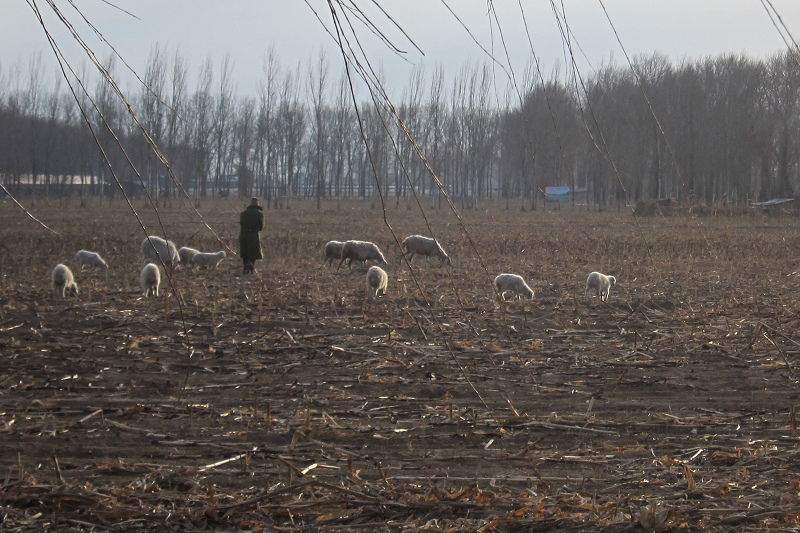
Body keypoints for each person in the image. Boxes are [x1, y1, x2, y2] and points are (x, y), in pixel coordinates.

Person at [239, 197, 265, 274]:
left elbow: (242, 224)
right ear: (258, 204)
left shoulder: (243, 214)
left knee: (245, 252)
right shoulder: (260, 214)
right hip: (254, 235)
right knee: (253, 252)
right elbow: (261, 227)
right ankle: (251, 268)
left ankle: (245, 268)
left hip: (243, 235)